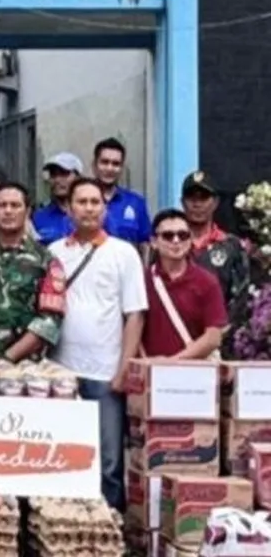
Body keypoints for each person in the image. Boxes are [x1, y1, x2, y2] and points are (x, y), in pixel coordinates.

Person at [50, 177, 147, 511]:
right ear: (69, 208)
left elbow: (135, 315)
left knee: (108, 462)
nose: (89, 209)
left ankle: (111, 526)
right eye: (82, 202)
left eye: (95, 202)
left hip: (106, 373)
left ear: (105, 209)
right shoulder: (54, 253)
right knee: (63, 457)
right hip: (61, 372)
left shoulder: (124, 253)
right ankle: (65, 525)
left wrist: (124, 370)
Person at [0, 182, 66, 364]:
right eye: (2, 205)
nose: (8, 211)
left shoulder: (46, 260)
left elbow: (50, 320)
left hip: (28, 367)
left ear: (27, 212)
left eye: (15, 205)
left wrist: (7, 358)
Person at [140, 209, 226, 359]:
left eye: (183, 235)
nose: (176, 241)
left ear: (190, 240)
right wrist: (145, 362)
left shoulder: (207, 282)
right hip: (149, 369)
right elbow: (132, 328)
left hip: (194, 369)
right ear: (154, 242)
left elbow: (213, 337)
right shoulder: (141, 280)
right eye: (168, 235)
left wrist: (172, 363)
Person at [180, 170, 250, 350]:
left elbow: (241, 296)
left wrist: (220, 332)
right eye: (191, 197)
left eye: (203, 198)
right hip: (176, 339)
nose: (197, 204)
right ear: (182, 202)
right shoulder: (169, 242)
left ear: (216, 202)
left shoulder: (231, 246)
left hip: (219, 343)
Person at [91, 137, 151, 251]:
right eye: (104, 162)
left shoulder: (136, 203)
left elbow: (145, 243)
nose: (110, 168)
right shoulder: (84, 201)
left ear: (122, 168)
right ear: (94, 165)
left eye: (116, 164)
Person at [33, 152, 83, 245]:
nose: (57, 180)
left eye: (64, 174)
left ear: (78, 177)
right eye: (53, 175)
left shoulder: (90, 214)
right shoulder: (39, 217)